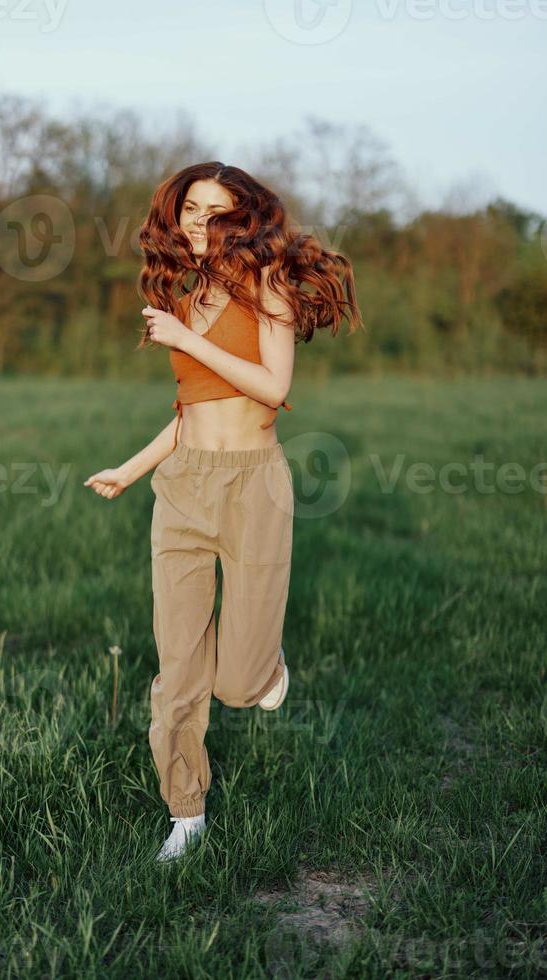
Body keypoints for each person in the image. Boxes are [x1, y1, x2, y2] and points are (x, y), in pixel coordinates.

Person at [83, 162, 362, 863]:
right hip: (183, 487)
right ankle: (185, 811)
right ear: (175, 218)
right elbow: (189, 411)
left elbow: (271, 388)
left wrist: (188, 342)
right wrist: (131, 468)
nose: (201, 223)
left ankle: (265, 671)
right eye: (191, 210)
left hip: (254, 487)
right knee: (177, 665)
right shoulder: (187, 295)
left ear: (246, 218)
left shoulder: (266, 287)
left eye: (218, 211)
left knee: (235, 683)